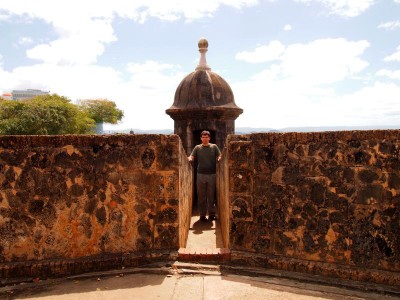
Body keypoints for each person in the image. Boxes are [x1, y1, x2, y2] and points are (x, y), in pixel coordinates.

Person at [188, 130, 222, 222]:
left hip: (212, 174)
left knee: (211, 195)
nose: (205, 139)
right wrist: (189, 158)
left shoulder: (214, 147)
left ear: (209, 138)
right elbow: (192, 156)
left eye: (207, 137)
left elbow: (219, 155)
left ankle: (211, 214)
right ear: (201, 138)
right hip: (200, 174)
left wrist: (219, 158)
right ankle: (202, 215)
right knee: (201, 196)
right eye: (203, 137)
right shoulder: (197, 147)